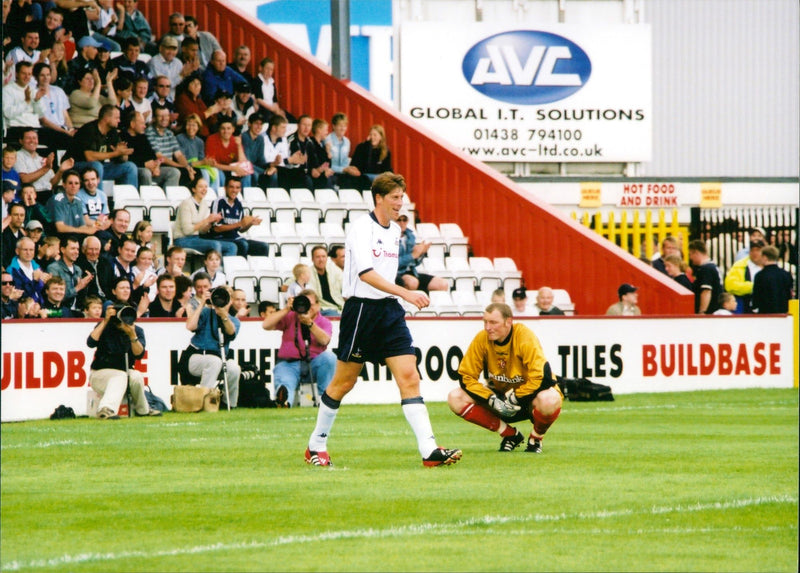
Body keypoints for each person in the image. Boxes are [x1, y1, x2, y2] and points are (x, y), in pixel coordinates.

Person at [304, 172, 461, 467]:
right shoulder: (361, 228)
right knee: (344, 382)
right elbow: (366, 274)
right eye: (395, 197)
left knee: (410, 376)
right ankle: (316, 445)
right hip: (361, 310)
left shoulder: (394, 231)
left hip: (388, 311)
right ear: (379, 198)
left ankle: (429, 450)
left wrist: (399, 297)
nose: (400, 203)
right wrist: (407, 293)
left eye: (402, 197)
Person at [449, 302, 563, 453]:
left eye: (493, 322)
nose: (488, 327)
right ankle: (510, 435)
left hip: (528, 399)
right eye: (485, 322)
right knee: (455, 397)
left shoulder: (523, 335)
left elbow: (543, 377)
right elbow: (466, 376)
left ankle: (536, 439)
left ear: (508, 321)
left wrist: (515, 397)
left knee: (550, 399)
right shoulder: (482, 338)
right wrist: (491, 399)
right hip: (500, 399)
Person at [87, 297, 160, 419]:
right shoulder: (104, 326)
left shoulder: (136, 330)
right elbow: (90, 342)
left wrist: (132, 335)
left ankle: (143, 410)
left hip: (124, 371)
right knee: (120, 375)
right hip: (100, 373)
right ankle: (106, 410)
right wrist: (105, 321)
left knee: (136, 376)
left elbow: (139, 354)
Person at [262, 289, 335, 407]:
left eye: (310, 305)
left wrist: (310, 324)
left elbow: (325, 340)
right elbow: (266, 325)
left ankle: (326, 400)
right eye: (303, 304)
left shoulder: (324, 322)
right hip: (289, 364)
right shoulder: (290, 316)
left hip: (314, 362)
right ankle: (283, 400)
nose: (307, 308)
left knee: (330, 358)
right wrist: (287, 309)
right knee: (285, 380)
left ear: (318, 305)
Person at [184, 283, 240, 409]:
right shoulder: (205, 312)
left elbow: (231, 333)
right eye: (218, 296)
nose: (222, 300)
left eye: (226, 297)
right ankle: (204, 402)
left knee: (234, 368)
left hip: (220, 359)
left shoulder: (234, 320)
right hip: (197, 356)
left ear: (230, 301)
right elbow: (190, 326)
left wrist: (223, 315)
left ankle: (229, 404)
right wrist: (202, 303)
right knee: (214, 361)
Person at [68, 103, 138, 190]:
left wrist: (122, 154)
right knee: (97, 166)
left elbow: (122, 158)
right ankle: (99, 201)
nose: (119, 121)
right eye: (116, 118)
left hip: (98, 167)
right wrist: (115, 153)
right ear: (106, 118)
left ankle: (128, 202)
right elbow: (89, 156)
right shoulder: (89, 130)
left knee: (130, 167)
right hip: (75, 166)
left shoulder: (112, 132)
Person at [171, 175, 236, 256]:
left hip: (196, 238)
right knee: (215, 244)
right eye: (201, 187)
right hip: (182, 240)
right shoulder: (186, 204)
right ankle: (216, 268)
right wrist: (207, 220)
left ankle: (224, 268)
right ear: (194, 189)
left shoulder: (204, 204)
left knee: (232, 246)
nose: (204, 189)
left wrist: (211, 223)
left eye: (206, 187)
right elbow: (187, 231)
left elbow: (202, 231)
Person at [209, 176, 268, 256]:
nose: (234, 190)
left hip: (235, 238)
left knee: (263, 246)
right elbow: (216, 229)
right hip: (221, 238)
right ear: (225, 188)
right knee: (243, 245)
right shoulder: (219, 202)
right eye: (231, 187)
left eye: (237, 188)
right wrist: (239, 223)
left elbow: (240, 229)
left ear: (240, 189)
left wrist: (250, 223)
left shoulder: (238, 204)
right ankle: (239, 267)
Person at [395, 212, 448, 293]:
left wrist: (420, 254)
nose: (402, 223)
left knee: (442, 284)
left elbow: (414, 263)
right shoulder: (389, 238)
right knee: (412, 283)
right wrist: (412, 256)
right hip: (396, 273)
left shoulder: (410, 236)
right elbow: (392, 262)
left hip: (412, 272)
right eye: (399, 220)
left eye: (404, 220)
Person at [31, 61, 76, 152]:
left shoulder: (58, 91)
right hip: (46, 130)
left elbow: (66, 115)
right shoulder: (33, 93)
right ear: (36, 77)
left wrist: (71, 129)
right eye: (42, 75)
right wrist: (65, 132)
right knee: (66, 140)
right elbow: (43, 121)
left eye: (48, 75)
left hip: (63, 129)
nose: (46, 78)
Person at [15, 127, 74, 193]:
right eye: (28, 138)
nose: (32, 141)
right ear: (21, 141)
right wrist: (46, 168)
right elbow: (25, 179)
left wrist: (60, 171)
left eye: (34, 138)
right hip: (31, 195)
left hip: (48, 194)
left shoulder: (41, 159)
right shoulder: (17, 155)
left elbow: (52, 184)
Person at [145, 106, 194, 183]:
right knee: (178, 172)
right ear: (154, 118)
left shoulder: (169, 133)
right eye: (160, 116)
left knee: (195, 172)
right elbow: (160, 156)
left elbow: (179, 155)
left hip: (170, 166)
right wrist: (181, 167)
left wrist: (187, 167)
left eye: (166, 116)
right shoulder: (149, 132)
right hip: (157, 167)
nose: (164, 119)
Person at [46, 169, 98, 238]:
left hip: (73, 236)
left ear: (79, 186)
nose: (73, 186)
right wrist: (83, 231)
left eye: (76, 183)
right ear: (64, 185)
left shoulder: (78, 201)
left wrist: (94, 228)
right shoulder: (58, 200)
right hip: (57, 236)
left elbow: (82, 226)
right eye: (70, 183)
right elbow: (60, 228)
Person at [46, 235, 93, 310]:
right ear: (63, 249)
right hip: (60, 311)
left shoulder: (78, 269)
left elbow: (80, 297)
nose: (76, 252)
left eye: (77, 249)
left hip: (77, 310)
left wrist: (85, 286)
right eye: (73, 248)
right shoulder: (53, 268)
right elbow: (57, 296)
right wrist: (78, 287)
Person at [340, 125, 392, 191]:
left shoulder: (385, 151)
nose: (372, 137)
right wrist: (368, 147)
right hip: (363, 176)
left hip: (378, 178)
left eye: (375, 135)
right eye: (371, 135)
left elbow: (386, 169)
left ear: (381, 137)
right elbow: (355, 165)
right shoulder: (362, 147)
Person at [2, 62, 42, 143]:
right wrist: (26, 102)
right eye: (24, 73)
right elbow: (7, 113)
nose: (27, 77)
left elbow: (40, 114)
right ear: (16, 74)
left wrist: (37, 101)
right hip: (17, 128)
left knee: (59, 137)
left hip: (35, 127)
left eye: (29, 74)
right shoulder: (7, 90)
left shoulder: (33, 90)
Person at [724, 240, 765, 313]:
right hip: (744, 304)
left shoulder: (769, 266)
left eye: (758, 250)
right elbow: (730, 285)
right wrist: (753, 287)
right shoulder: (739, 265)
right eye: (752, 250)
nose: (755, 253)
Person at [7, 236, 50, 304]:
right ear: (17, 251)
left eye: (31, 250)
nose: (28, 253)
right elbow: (22, 295)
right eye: (25, 250)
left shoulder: (38, 267)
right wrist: (36, 281)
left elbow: (43, 292)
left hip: (40, 307)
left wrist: (48, 282)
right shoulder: (11, 270)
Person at [751, 246, 793, 314]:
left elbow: (756, 297)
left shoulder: (760, 276)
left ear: (765, 257)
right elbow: (789, 295)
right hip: (783, 312)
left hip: (765, 313)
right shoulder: (786, 274)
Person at [252, 56, 293, 122]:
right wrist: (272, 109)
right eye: (267, 68)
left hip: (272, 108)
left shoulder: (272, 82)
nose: (269, 72)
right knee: (270, 117)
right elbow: (258, 99)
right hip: (263, 107)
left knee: (288, 117)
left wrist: (278, 110)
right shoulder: (257, 81)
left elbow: (274, 100)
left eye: (271, 70)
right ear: (260, 68)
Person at [688, 239, 723, 315]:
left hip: (710, 311)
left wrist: (702, 311)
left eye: (690, 254)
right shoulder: (712, 266)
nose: (690, 258)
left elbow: (706, 291)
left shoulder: (706, 269)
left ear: (696, 252)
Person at [308, 244, 344, 317]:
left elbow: (345, 290)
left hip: (339, 307)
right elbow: (288, 285)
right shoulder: (307, 272)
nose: (321, 260)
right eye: (318, 257)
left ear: (327, 258)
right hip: (321, 309)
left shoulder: (336, 271)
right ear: (312, 259)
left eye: (323, 256)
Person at [286, 114, 313, 189]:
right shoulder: (290, 140)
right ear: (298, 125)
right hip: (292, 173)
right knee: (306, 180)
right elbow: (285, 162)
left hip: (306, 174)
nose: (306, 128)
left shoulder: (310, 142)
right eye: (304, 124)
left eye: (309, 125)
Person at [324, 112, 350, 187]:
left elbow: (345, 161)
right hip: (330, 172)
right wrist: (343, 170)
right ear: (334, 126)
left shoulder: (347, 141)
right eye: (340, 125)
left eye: (344, 126)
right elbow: (326, 163)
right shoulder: (327, 140)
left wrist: (345, 170)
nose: (342, 128)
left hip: (343, 173)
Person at [307, 118, 334, 189]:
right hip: (313, 174)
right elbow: (313, 162)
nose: (327, 132)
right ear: (318, 130)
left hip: (321, 173)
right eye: (325, 130)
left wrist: (328, 152)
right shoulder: (311, 143)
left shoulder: (322, 145)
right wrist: (322, 170)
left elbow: (327, 163)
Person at [2, 203, 27, 269]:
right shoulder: (3, 234)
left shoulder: (23, 237)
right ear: (9, 216)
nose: (19, 218)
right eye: (16, 215)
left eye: (22, 215)